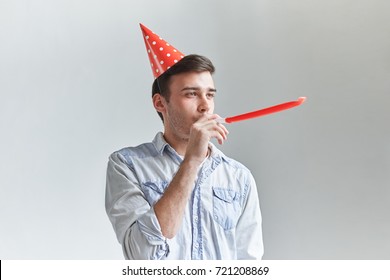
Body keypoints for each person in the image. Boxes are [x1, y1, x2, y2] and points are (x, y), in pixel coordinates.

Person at [105, 24, 263, 260]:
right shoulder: (126, 165)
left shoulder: (239, 177)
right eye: (191, 94)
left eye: (210, 94)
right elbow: (143, 256)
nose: (205, 105)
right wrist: (192, 161)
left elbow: (249, 263)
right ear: (160, 103)